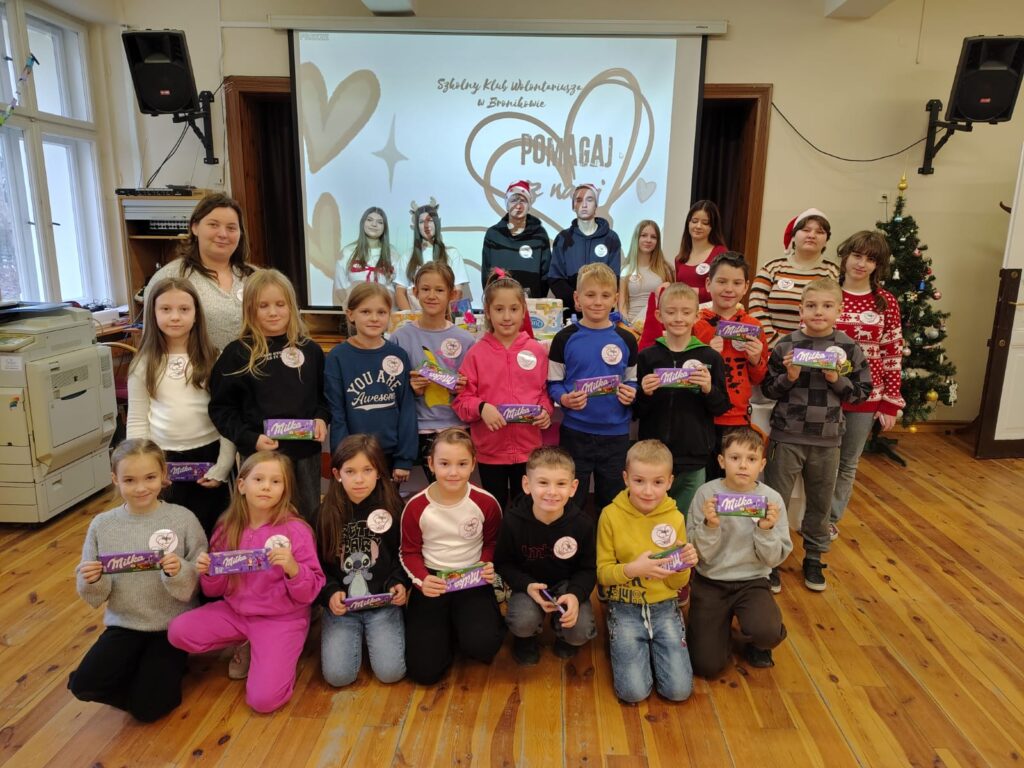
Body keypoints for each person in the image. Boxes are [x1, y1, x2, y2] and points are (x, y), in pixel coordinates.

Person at [168, 452, 325, 713]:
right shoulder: (226, 528)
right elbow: (214, 590)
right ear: (241, 485)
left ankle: (279, 650)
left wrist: (293, 569)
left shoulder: (297, 530)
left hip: (281, 619)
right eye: (258, 479)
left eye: (276, 481)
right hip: (235, 613)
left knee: (263, 701)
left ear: (285, 489)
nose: (266, 487)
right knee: (177, 631)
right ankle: (245, 642)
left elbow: (310, 592)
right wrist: (210, 572)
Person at [69, 439, 207, 722]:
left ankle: (155, 679)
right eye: (129, 480)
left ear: (164, 475)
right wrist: (92, 580)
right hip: (125, 623)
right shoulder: (102, 525)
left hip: (171, 627)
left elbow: (198, 579)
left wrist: (178, 571)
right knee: (82, 685)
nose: (141, 488)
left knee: (150, 709)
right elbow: (93, 595)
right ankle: (145, 678)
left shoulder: (183, 519)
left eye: (150, 478)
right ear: (115, 480)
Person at [761, 278, 872, 592]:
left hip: (827, 438)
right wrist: (789, 377)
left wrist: (836, 379)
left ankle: (813, 556)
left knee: (820, 502)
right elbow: (768, 389)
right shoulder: (786, 345)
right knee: (776, 500)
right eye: (811, 305)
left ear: (839, 310)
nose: (818, 312)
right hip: (787, 435)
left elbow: (861, 393)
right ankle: (771, 559)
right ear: (801, 310)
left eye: (826, 306)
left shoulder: (848, 347)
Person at [208, 269, 329, 525]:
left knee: (306, 518)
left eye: (280, 304)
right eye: (263, 306)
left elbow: (323, 397)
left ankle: (307, 552)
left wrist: (321, 418)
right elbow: (221, 409)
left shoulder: (310, 350)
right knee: (261, 519)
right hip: (259, 456)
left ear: (291, 306)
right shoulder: (237, 354)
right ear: (250, 309)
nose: (273, 312)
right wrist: (250, 438)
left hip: (305, 455)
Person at [127, 278, 234, 537]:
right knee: (169, 532)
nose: (175, 317)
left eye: (184, 309)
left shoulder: (214, 358)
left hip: (209, 457)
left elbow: (226, 415)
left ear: (196, 314)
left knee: (211, 529)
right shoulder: (142, 364)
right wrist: (145, 467)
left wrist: (224, 465)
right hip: (163, 459)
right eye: (166, 309)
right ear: (153, 313)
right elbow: (137, 421)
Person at [399, 428, 506, 684]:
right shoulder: (416, 507)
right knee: (424, 672)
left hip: (472, 577)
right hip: (433, 581)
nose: (453, 472)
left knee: (483, 647)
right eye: (444, 464)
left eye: (462, 464)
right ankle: (441, 630)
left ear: (473, 464)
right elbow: (408, 552)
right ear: (431, 464)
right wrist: (422, 580)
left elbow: (492, 542)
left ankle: (463, 624)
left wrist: (486, 563)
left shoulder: (486, 502)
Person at [596, 440, 698, 703]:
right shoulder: (609, 515)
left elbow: (677, 583)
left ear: (670, 482)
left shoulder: (675, 518)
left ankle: (652, 651)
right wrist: (632, 569)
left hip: (665, 606)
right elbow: (603, 574)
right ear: (626, 478)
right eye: (639, 481)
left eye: (658, 482)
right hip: (624, 604)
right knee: (633, 692)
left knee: (678, 691)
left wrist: (684, 565)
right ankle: (628, 641)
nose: (648, 491)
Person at [686, 427, 792, 674]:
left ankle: (758, 642)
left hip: (753, 581)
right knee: (706, 665)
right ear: (722, 461)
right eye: (735, 458)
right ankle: (718, 633)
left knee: (767, 631)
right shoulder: (706, 494)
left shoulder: (772, 500)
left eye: (751, 459)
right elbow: (698, 555)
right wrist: (710, 526)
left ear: (762, 465)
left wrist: (766, 530)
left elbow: (773, 559)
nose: (743, 465)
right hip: (711, 580)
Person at [452, 273, 553, 509]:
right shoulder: (476, 353)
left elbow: (545, 394)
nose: (507, 317)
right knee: (493, 510)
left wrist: (545, 411)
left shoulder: (537, 351)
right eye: (499, 309)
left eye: (514, 309)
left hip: (528, 451)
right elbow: (461, 401)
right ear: (487, 312)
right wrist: (481, 408)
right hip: (490, 452)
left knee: (525, 511)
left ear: (523, 311)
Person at [316, 435, 409, 687]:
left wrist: (399, 582)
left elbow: (404, 553)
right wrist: (330, 592)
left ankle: (377, 635)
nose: (359, 479)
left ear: (378, 472)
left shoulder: (393, 507)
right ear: (337, 474)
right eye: (350, 471)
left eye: (367, 470)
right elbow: (317, 566)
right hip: (343, 610)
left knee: (391, 673)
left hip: (383, 605)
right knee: (338, 677)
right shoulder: (324, 514)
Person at [830, 231, 904, 540]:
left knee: (847, 462)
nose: (862, 264)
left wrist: (890, 402)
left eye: (870, 259)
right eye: (857, 256)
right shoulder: (828, 292)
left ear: (878, 265)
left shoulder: (886, 302)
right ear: (845, 256)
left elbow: (892, 352)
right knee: (821, 460)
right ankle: (810, 512)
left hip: (866, 396)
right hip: (825, 392)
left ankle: (830, 519)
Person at [547, 263, 638, 515]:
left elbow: (632, 380)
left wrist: (631, 392)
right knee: (571, 501)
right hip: (576, 433)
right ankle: (572, 541)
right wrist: (564, 398)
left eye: (605, 295)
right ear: (577, 299)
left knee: (613, 503)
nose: (598, 302)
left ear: (615, 299)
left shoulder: (627, 339)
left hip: (616, 435)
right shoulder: (563, 338)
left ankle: (607, 540)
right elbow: (553, 383)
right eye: (590, 295)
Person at [494, 446, 597, 665]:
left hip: (567, 585)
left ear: (573, 488)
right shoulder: (512, 521)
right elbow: (503, 563)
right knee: (522, 621)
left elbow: (588, 569)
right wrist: (526, 585)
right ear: (526, 484)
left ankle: (563, 634)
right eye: (543, 482)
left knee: (580, 631)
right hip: (528, 584)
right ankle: (526, 638)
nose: (552, 492)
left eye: (561, 484)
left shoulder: (583, 524)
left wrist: (575, 595)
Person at [635, 282, 730, 518]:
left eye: (686, 312)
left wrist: (708, 389)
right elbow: (635, 411)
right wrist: (644, 393)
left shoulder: (710, 357)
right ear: (659, 315)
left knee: (687, 519)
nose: (678, 318)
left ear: (696, 316)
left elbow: (721, 406)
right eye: (671, 312)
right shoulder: (647, 357)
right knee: (650, 517)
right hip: (653, 457)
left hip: (693, 456)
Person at [324, 282, 417, 484]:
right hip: (353, 456)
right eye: (365, 311)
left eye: (381, 312)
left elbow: (407, 408)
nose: (374, 318)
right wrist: (343, 458)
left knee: (387, 504)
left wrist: (404, 458)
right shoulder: (338, 357)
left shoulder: (398, 355)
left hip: (390, 454)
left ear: (389, 315)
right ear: (350, 315)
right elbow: (337, 414)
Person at [390, 262, 476, 482]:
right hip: (417, 427)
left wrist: (463, 389)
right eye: (425, 289)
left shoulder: (466, 340)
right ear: (415, 292)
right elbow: (391, 390)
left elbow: (475, 389)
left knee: (451, 488)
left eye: (439, 290)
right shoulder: (400, 337)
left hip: (456, 427)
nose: (431, 296)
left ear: (452, 294)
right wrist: (410, 389)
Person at [146, 192, 256, 351]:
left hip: (253, 366)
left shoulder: (255, 276)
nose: (223, 234)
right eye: (213, 225)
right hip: (195, 367)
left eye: (231, 228)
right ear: (195, 227)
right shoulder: (169, 277)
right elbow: (152, 343)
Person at [692, 251, 769, 478]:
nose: (729, 289)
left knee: (732, 480)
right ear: (708, 283)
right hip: (700, 415)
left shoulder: (753, 326)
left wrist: (755, 359)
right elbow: (685, 372)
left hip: (737, 417)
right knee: (701, 480)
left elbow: (759, 378)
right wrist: (707, 355)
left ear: (746, 287)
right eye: (722, 281)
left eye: (736, 283)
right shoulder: (696, 324)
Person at [748, 208, 840, 349]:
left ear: (826, 240)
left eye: (819, 232)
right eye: (805, 230)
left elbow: (836, 314)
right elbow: (756, 307)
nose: (812, 235)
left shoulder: (833, 272)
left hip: (816, 352)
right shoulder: (772, 268)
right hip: (772, 349)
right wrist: (778, 345)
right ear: (793, 236)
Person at [548, 184, 622, 317]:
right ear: (573, 206)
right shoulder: (563, 238)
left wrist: (596, 300)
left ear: (596, 205)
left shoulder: (611, 238)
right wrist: (575, 300)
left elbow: (614, 278)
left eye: (589, 199)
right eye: (579, 200)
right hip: (571, 313)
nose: (584, 204)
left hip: (601, 312)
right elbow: (555, 278)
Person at [480, 180, 552, 299]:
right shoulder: (493, 235)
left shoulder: (540, 235)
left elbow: (545, 276)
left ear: (529, 205)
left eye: (523, 201)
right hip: (499, 302)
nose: (518, 206)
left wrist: (535, 298)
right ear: (507, 204)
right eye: (513, 200)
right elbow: (486, 275)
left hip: (531, 304)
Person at [395, 202, 472, 310]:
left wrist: (442, 315)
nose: (426, 225)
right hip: (416, 316)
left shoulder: (452, 254)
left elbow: (457, 291)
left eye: (430, 220)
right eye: (421, 222)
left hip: (444, 316)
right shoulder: (407, 256)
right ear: (417, 226)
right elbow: (400, 292)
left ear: (437, 223)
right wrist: (410, 316)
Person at [332, 207, 398, 307]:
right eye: (369, 220)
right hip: (356, 310)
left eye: (380, 222)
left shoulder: (392, 254)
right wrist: (355, 308)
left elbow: (397, 288)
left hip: (384, 310)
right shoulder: (348, 252)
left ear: (384, 227)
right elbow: (340, 285)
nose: (374, 224)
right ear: (363, 222)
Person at [618, 220, 673, 327]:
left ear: (658, 241)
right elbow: (622, 304)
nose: (648, 240)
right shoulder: (626, 269)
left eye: (653, 237)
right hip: (631, 326)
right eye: (644, 235)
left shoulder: (666, 268)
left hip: (656, 325)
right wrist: (628, 327)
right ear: (636, 238)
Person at [674, 200, 728, 304]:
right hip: (684, 311)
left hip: (710, 311)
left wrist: (694, 292)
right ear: (688, 223)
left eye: (705, 223)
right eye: (694, 221)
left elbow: (725, 289)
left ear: (712, 227)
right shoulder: (679, 258)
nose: (698, 226)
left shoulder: (720, 253)